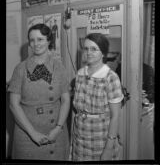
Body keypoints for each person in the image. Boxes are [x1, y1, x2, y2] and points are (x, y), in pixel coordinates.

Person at [8, 23, 70, 160]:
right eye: (32, 40)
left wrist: (58, 128)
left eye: (40, 39)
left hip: (56, 132)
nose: (36, 43)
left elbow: (65, 100)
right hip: (27, 136)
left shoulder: (59, 66)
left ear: (49, 41)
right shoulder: (20, 69)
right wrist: (33, 133)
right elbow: (14, 104)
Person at [71, 33, 124, 161]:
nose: (89, 52)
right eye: (86, 48)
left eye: (94, 49)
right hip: (80, 138)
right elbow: (76, 111)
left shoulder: (111, 78)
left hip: (102, 138)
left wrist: (108, 149)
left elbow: (115, 116)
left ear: (103, 53)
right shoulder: (79, 74)